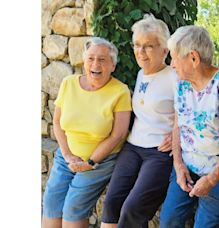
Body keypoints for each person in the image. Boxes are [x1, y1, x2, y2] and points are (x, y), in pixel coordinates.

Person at [159, 25, 219, 228]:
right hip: (187, 166)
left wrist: (211, 179)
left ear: (193, 58)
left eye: (174, 58)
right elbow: (178, 126)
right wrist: (178, 165)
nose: (171, 65)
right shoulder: (181, 83)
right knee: (168, 221)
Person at [42, 37, 132, 228]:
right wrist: (67, 155)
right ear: (84, 61)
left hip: (100, 161)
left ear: (113, 66)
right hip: (66, 157)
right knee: (51, 203)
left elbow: (118, 134)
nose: (95, 64)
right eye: (91, 58)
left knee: (73, 208)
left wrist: (90, 162)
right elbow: (57, 122)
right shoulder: (69, 83)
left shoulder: (120, 91)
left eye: (102, 60)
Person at [101, 14, 177, 228]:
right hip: (133, 146)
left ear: (164, 50)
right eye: (137, 45)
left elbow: (192, 111)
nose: (140, 52)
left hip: (160, 152)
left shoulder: (175, 77)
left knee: (133, 209)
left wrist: (177, 135)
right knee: (112, 203)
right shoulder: (141, 73)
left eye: (148, 46)